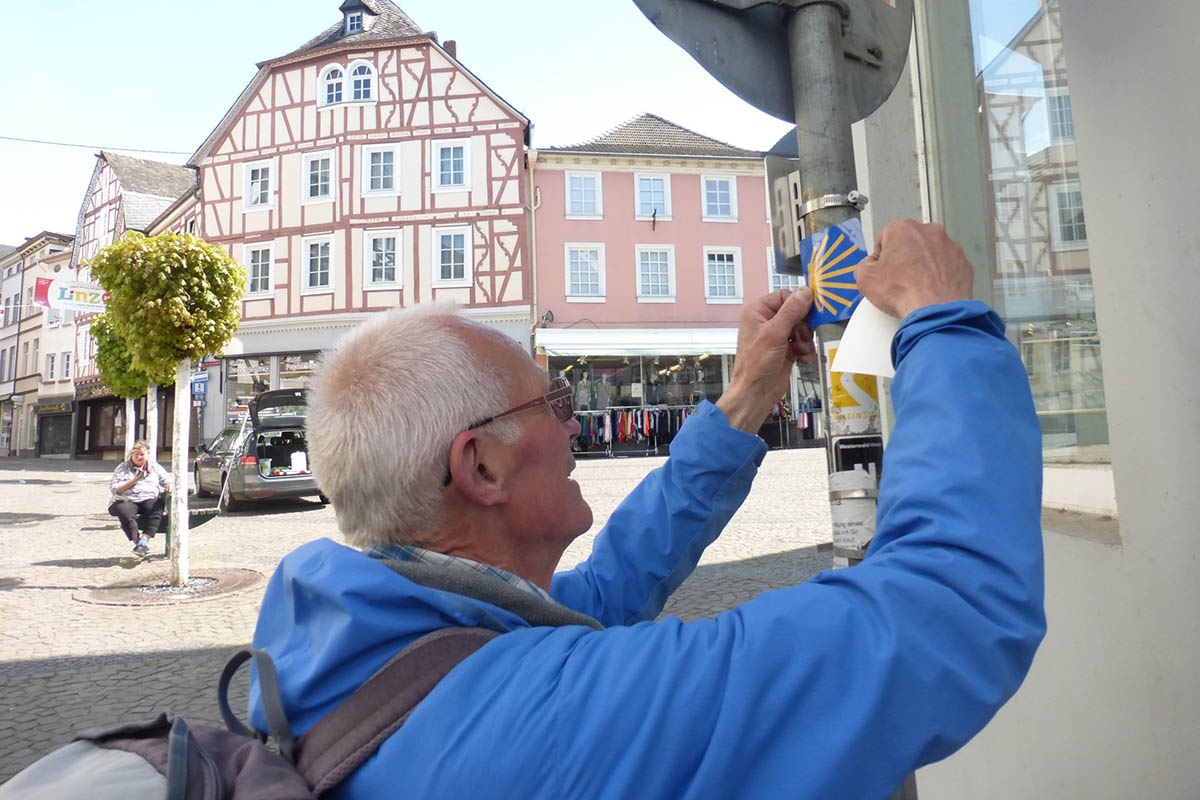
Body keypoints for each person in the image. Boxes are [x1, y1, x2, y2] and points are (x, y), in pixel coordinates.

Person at [249, 219, 1044, 799]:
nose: (573, 425)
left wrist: (741, 401)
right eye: (555, 400)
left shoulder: (389, 650)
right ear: (482, 465)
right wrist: (943, 321)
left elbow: (605, 593)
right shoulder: (547, 721)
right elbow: (949, 609)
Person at [108, 440, 172, 556]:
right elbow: (115, 489)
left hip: (148, 497)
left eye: (142, 454)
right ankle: (137, 542)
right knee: (126, 512)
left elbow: (166, 478)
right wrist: (134, 480)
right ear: (131, 455)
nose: (138, 457)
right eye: (136, 454)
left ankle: (144, 540)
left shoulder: (154, 467)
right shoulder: (123, 468)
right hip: (127, 499)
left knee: (157, 507)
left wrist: (169, 484)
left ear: (147, 455)